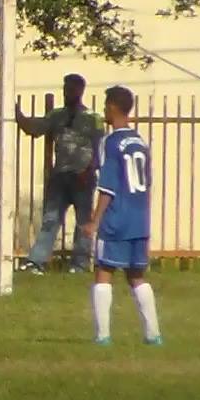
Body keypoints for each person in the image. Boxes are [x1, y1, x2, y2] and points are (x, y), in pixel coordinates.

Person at [81, 86, 162, 346]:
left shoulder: (110, 142)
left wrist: (95, 220)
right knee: (136, 276)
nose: (104, 110)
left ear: (114, 107)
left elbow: (107, 186)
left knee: (103, 271)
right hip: (139, 218)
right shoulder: (140, 142)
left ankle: (103, 335)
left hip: (117, 218)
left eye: (106, 105)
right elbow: (146, 183)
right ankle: (153, 335)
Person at [15, 73, 105, 274]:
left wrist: (89, 170)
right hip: (61, 176)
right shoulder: (57, 115)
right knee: (51, 219)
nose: (67, 92)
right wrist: (17, 114)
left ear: (80, 91)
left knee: (83, 220)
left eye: (72, 89)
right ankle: (36, 261)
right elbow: (35, 128)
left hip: (82, 176)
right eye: (65, 88)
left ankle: (80, 263)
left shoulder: (93, 119)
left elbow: (99, 148)